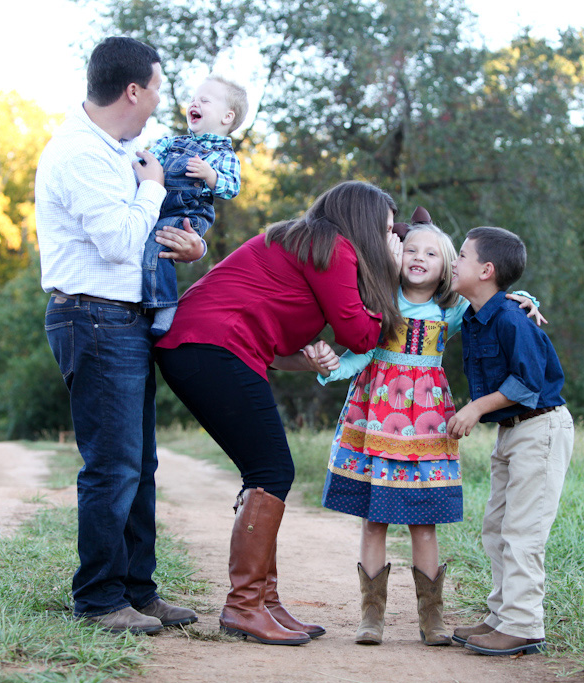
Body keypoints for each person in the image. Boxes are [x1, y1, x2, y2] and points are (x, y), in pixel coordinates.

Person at [155, 180, 404, 645]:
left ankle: (263, 601)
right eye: (388, 229)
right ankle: (244, 606)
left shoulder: (307, 243)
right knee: (272, 469)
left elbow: (272, 331)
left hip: (206, 346)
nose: (393, 239)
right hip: (208, 346)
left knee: (265, 470)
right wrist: (389, 272)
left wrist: (307, 358)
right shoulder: (332, 247)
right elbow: (362, 334)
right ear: (367, 224)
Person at [36, 36, 203, 634]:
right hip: (93, 317)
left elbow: (149, 233)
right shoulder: (79, 153)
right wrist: (154, 188)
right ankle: (100, 598)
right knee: (112, 465)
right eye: (157, 87)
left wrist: (191, 242)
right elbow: (118, 240)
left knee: (141, 464)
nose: (160, 100)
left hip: (122, 318)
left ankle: (138, 590)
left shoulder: (123, 149)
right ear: (133, 89)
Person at [317, 210, 542, 647]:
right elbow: (359, 356)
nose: (419, 257)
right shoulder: (378, 302)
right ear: (397, 257)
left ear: (448, 268)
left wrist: (526, 298)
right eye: (412, 249)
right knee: (374, 519)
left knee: (424, 522)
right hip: (377, 413)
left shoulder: (451, 309)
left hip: (428, 421)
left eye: (432, 253)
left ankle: (431, 617)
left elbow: (492, 302)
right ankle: (372, 616)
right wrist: (330, 366)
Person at [447, 226, 574, 657]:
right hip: (513, 432)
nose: (453, 262)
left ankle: (524, 625)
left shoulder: (510, 319)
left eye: (460, 256)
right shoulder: (475, 315)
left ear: (486, 270)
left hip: (540, 428)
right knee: (497, 527)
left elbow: (527, 383)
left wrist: (476, 407)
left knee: (523, 529)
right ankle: (502, 615)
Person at [146, 75, 248, 335]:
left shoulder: (224, 155)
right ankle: (147, 299)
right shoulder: (172, 143)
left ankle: (164, 304)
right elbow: (147, 161)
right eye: (193, 99)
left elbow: (231, 188)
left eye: (204, 100)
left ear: (227, 117)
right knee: (144, 245)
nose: (195, 103)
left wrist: (210, 175)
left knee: (156, 248)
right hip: (158, 208)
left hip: (188, 214)